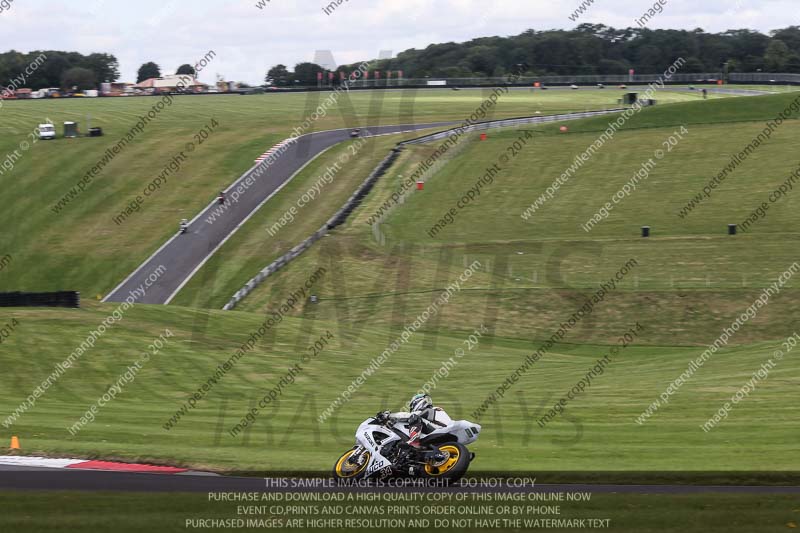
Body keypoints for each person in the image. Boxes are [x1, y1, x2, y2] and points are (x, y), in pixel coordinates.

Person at [380, 394, 453, 448]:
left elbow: (408, 415)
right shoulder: (435, 411)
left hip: (439, 430)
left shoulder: (428, 410)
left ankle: (414, 441)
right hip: (442, 434)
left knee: (414, 417)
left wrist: (389, 415)